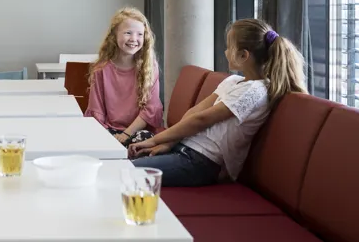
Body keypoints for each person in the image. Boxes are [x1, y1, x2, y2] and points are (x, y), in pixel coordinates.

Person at [129, 18, 306, 187]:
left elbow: (202, 120)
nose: (225, 52)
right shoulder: (233, 82)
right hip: (183, 148)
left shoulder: (256, 91)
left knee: (124, 173)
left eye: (229, 47)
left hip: (201, 162)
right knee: (123, 165)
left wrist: (154, 140)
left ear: (244, 55)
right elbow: (194, 113)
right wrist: (167, 143)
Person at [84, 7, 162, 147]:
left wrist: (126, 134)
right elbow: (97, 112)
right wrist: (108, 136)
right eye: (128, 33)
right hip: (109, 129)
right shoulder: (101, 70)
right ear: (114, 35)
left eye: (140, 34)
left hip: (139, 131)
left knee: (143, 141)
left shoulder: (150, 68)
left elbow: (150, 110)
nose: (134, 39)